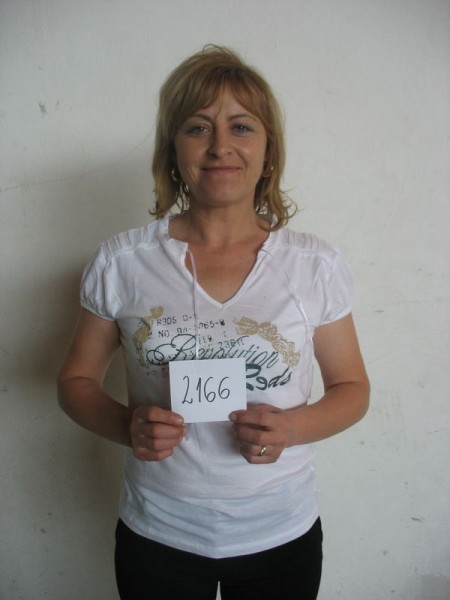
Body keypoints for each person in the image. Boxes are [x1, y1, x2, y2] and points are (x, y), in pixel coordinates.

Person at [58, 45, 370, 600]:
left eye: (241, 127)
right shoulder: (121, 263)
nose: (221, 145)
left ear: (268, 151)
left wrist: (292, 428)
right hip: (158, 533)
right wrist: (126, 426)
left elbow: (353, 389)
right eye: (198, 127)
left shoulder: (314, 265)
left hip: (281, 532)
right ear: (172, 151)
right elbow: (75, 381)